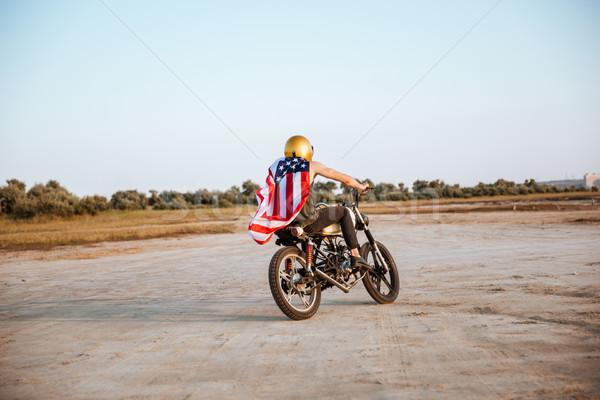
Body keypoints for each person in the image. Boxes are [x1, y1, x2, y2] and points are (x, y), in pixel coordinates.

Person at [284, 135, 370, 268]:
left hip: (286, 223)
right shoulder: (310, 166)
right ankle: (355, 255)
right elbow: (343, 179)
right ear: (306, 150)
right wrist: (360, 186)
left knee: (311, 226)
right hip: (307, 222)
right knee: (344, 211)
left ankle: (310, 268)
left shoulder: (280, 171)